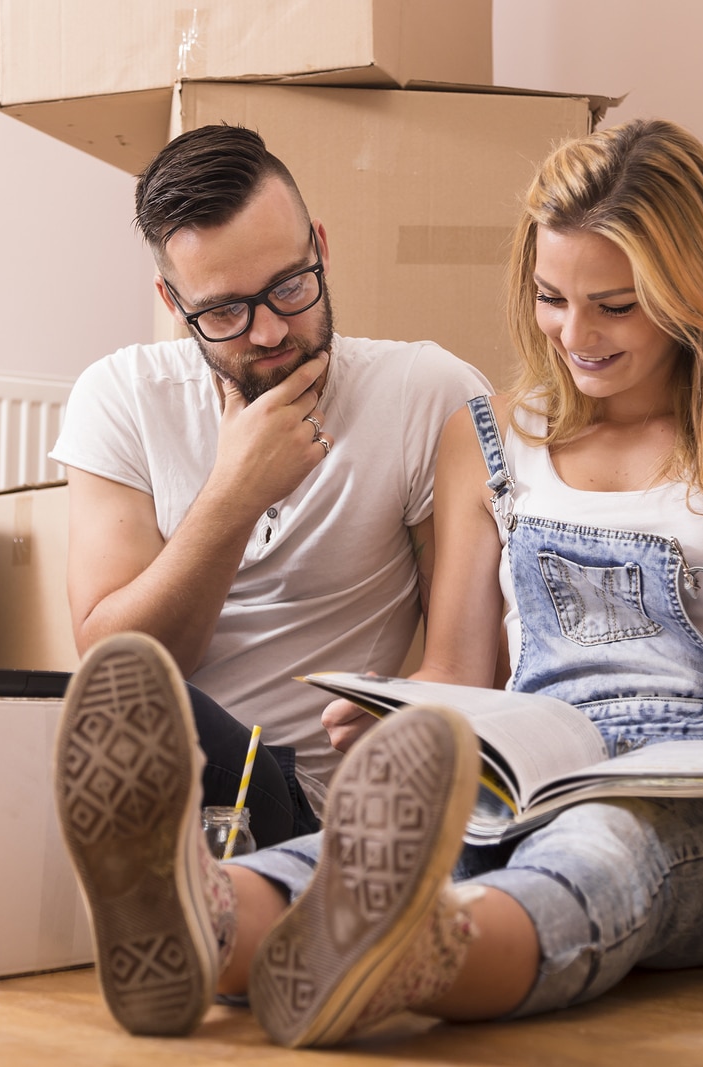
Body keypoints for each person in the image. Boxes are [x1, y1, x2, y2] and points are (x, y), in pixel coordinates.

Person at [52, 117, 703, 1047]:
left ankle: (406, 954)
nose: (575, 336)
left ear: (691, 288)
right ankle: (207, 915)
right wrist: (395, 709)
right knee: (394, 849)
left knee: (603, 851)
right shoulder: (491, 431)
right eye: (551, 297)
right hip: (540, 769)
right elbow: (458, 672)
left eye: (616, 305)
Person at [48, 125, 492, 848]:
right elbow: (118, 662)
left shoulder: (423, 392)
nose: (268, 331)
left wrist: (411, 710)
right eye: (224, 310)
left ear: (320, 245)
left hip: (312, 798)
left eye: (290, 286)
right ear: (170, 299)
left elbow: (478, 662)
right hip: (165, 771)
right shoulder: (120, 394)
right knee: (78, 710)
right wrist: (234, 490)